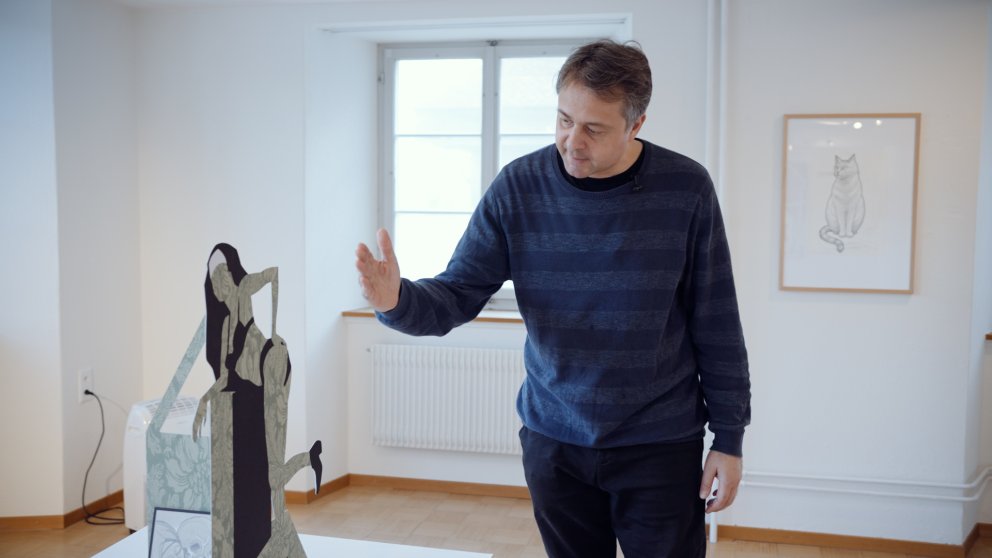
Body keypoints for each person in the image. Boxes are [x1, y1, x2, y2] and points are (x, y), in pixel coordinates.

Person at [355, 39, 751, 557]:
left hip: (660, 443)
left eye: (593, 129)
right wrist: (396, 301)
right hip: (555, 442)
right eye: (564, 120)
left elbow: (716, 320)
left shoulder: (686, 189)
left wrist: (729, 438)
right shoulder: (518, 187)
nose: (572, 141)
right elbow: (458, 293)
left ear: (636, 124)